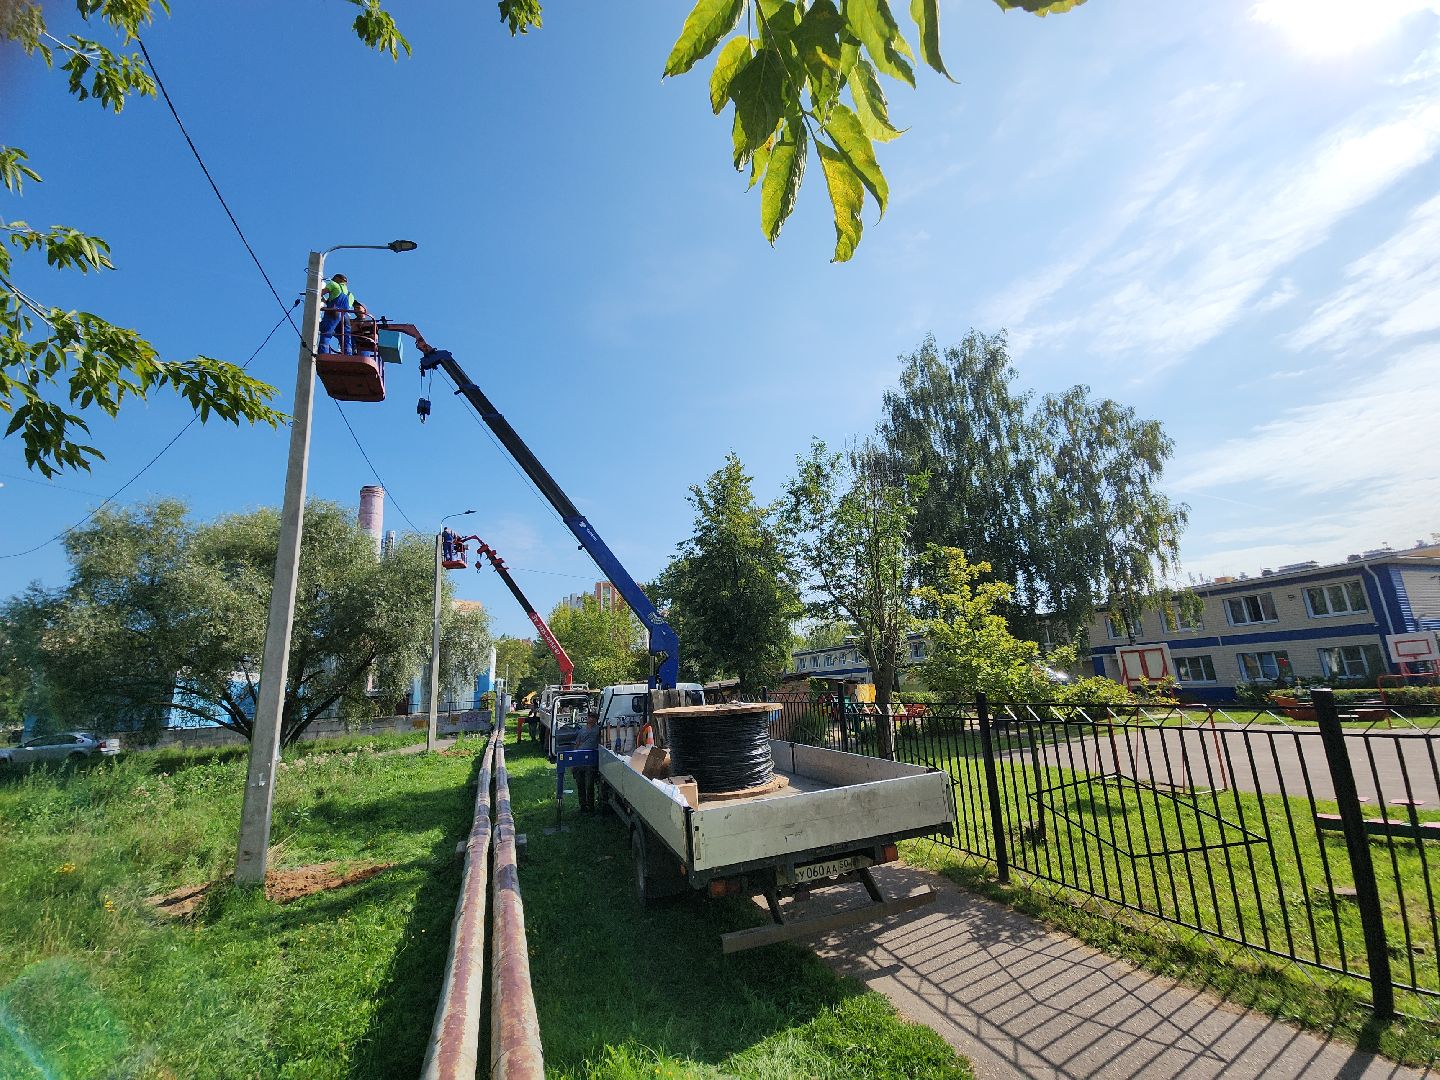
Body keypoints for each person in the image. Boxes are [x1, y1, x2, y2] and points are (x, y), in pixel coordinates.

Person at [571, 707, 601, 812]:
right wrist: (573, 761)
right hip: (579, 759)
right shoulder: (582, 730)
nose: (591, 718)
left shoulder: (598, 729)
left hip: (590, 761)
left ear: (596, 719)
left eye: (593, 717)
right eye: (589, 716)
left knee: (589, 785)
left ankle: (591, 806)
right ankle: (583, 806)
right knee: (580, 784)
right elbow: (577, 744)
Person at [317, 274, 353, 354]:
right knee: (345, 337)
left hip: (334, 313)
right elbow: (345, 305)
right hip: (346, 317)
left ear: (337, 278)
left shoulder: (333, 284)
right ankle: (348, 354)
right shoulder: (350, 295)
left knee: (326, 332)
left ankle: (324, 352)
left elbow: (319, 293)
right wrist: (326, 301)